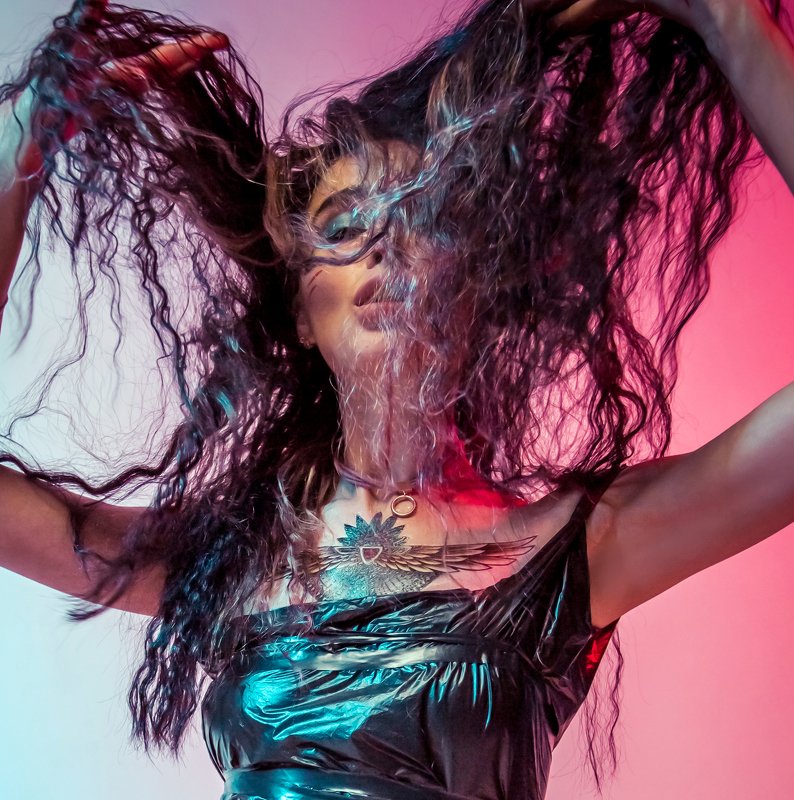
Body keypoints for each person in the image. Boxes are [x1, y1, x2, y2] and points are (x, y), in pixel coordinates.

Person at [1, 0, 793, 798]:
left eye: (423, 219)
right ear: (301, 311)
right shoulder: (223, 564)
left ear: (475, 292)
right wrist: (16, 154)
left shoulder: (573, 551)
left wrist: (730, 21)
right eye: (344, 226)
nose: (383, 245)